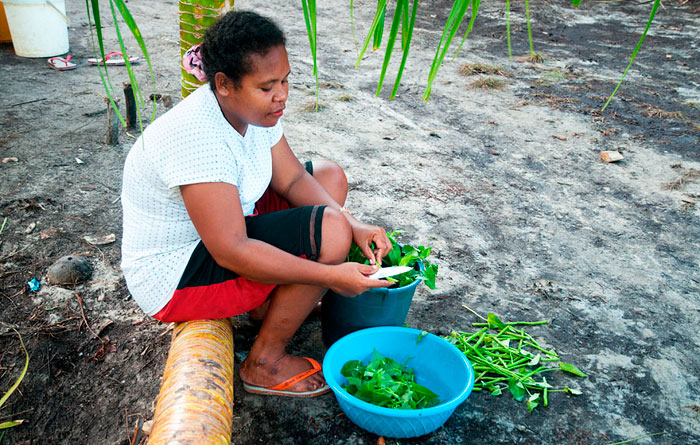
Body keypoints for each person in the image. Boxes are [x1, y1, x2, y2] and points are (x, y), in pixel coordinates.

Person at [120, 10, 392, 397]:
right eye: (267, 87)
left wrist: (356, 224)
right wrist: (331, 276)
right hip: (175, 274)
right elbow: (232, 250)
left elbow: (294, 178)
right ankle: (264, 362)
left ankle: (269, 309)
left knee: (328, 177)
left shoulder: (253, 112)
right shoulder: (196, 137)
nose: (281, 95)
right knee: (329, 232)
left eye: (285, 80)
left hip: (222, 231)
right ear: (224, 84)